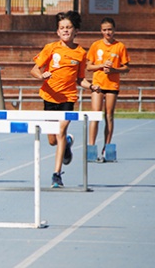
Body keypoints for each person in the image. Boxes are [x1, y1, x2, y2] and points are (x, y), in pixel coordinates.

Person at [30, 10, 98, 188]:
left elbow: (80, 79)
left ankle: (56, 175)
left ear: (76, 31)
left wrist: (91, 86)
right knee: (52, 140)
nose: (66, 30)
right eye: (62, 28)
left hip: (68, 98)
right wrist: (41, 75)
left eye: (69, 27)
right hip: (49, 97)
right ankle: (67, 143)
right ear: (57, 32)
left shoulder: (81, 53)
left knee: (60, 132)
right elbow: (34, 69)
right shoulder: (51, 48)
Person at [86, 17, 130, 162]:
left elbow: (126, 68)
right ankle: (91, 147)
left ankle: (107, 147)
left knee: (109, 115)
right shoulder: (96, 45)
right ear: (101, 31)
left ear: (114, 30)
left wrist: (113, 70)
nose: (107, 32)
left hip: (112, 85)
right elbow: (88, 66)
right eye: (104, 30)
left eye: (110, 29)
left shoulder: (120, 46)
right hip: (98, 84)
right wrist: (101, 66)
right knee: (95, 115)